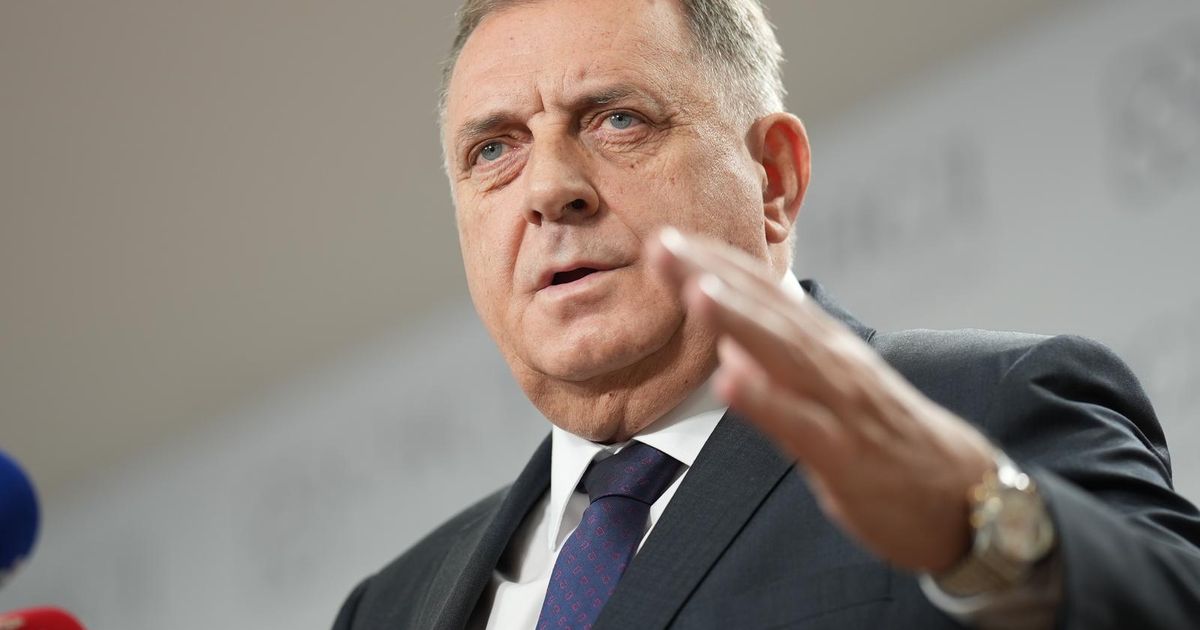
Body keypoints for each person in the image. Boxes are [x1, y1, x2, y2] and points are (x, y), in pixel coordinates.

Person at [333, 1, 1200, 628]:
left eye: (618, 120)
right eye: (494, 149)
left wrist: (984, 534)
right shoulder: (391, 606)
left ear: (774, 179)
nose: (550, 188)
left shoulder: (984, 410)